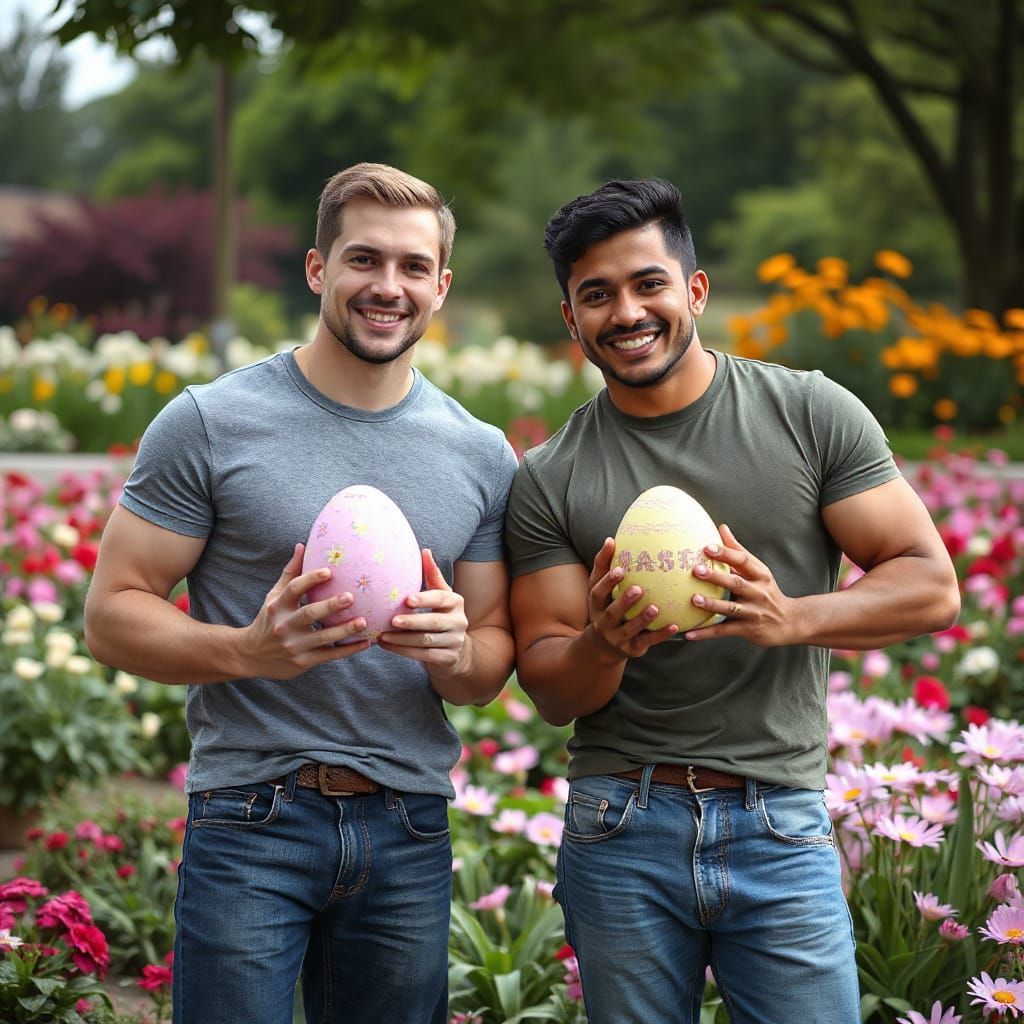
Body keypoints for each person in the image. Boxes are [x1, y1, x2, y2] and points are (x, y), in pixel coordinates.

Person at [504, 178, 961, 1024]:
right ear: (571, 319)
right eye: (596, 295)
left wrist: (792, 617)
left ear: (695, 290)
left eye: (648, 284)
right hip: (621, 822)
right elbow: (550, 686)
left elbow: (930, 584)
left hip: (777, 817)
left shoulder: (808, 413)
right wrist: (604, 642)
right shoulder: (550, 476)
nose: (627, 312)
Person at [84, 162, 519, 1024]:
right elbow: (111, 615)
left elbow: (489, 661)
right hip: (251, 814)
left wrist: (456, 651)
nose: (387, 286)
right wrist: (248, 650)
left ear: (441, 286)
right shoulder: (211, 422)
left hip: (408, 822)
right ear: (319, 269)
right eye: (364, 260)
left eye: (412, 266)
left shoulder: (481, 453)